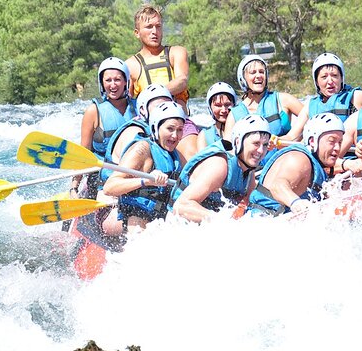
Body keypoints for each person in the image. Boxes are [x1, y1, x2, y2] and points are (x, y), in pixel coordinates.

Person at [125, 4, 198, 162]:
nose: (154, 32)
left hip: (179, 123)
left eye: (158, 26)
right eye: (149, 27)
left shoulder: (176, 52)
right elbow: (127, 104)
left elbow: (182, 80)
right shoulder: (130, 65)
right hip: (147, 127)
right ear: (137, 33)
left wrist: (155, 93)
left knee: (191, 155)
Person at [103, 102, 186, 232]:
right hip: (136, 219)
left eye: (180, 130)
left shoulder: (174, 153)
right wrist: (146, 180)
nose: (175, 135)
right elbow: (109, 187)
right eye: (170, 129)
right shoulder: (141, 149)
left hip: (160, 219)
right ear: (156, 127)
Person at [171, 115, 271, 223]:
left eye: (265, 145)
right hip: (178, 225)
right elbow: (181, 206)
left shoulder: (249, 169)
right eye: (256, 144)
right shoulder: (219, 165)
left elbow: (248, 199)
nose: (261, 151)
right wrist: (225, 222)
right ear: (238, 142)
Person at [249, 112, 344, 216]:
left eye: (340, 142)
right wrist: (295, 203)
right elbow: (277, 186)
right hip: (260, 220)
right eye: (331, 141)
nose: (337, 148)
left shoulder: (317, 164)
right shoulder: (299, 159)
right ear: (312, 141)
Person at [71, 57, 137, 199]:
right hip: (102, 177)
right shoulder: (93, 111)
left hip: (135, 175)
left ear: (126, 81)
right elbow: (83, 153)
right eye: (108, 80)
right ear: (102, 83)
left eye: (117, 79)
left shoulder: (140, 108)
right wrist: (74, 187)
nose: (113, 85)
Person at [223, 55, 306, 145]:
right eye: (253, 72)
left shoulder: (283, 100)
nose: (258, 76)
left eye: (261, 72)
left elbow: (312, 118)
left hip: (285, 156)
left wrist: (291, 137)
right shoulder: (234, 115)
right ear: (243, 79)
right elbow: (229, 150)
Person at [296, 52, 362, 124]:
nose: (330, 81)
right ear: (316, 82)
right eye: (324, 77)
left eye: (334, 75)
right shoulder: (310, 107)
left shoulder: (356, 97)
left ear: (341, 78)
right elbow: (293, 136)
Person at [196, 82, 237, 152]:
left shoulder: (243, 129)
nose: (224, 110)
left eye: (227, 104)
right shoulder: (204, 136)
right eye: (218, 105)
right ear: (210, 108)